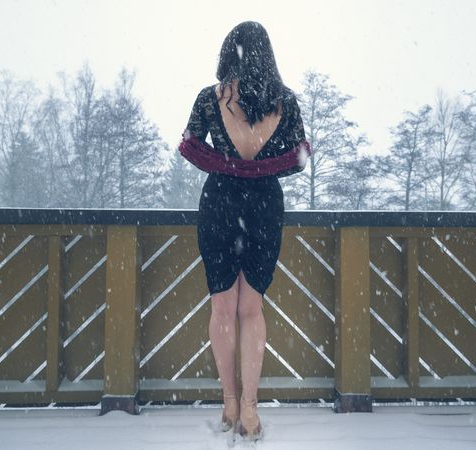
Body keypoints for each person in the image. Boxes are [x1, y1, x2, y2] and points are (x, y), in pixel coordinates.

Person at [178, 21, 311, 441]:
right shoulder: (284, 102)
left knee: (222, 308)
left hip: (219, 202)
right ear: (267, 55)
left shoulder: (210, 97)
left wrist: (230, 165)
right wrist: (258, 167)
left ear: (228, 52)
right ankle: (250, 407)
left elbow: (189, 147)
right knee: (250, 309)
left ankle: (230, 401)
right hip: (264, 207)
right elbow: (301, 158)